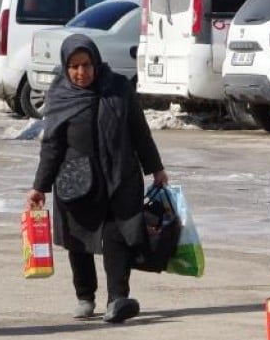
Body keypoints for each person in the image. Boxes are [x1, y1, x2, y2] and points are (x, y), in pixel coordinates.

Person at [25, 34, 167, 324]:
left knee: (118, 235)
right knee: (78, 237)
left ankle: (117, 299)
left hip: (119, 174)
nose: (81, 72)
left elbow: (139, 131)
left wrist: (156, 168)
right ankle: (85, 295)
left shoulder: (117, 88)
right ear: (65, 67)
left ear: (96, 63)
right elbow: (52, 145)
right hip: (75, 177)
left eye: (87, 65)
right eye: (74, 66)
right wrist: (40, 186)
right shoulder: (60, 94)